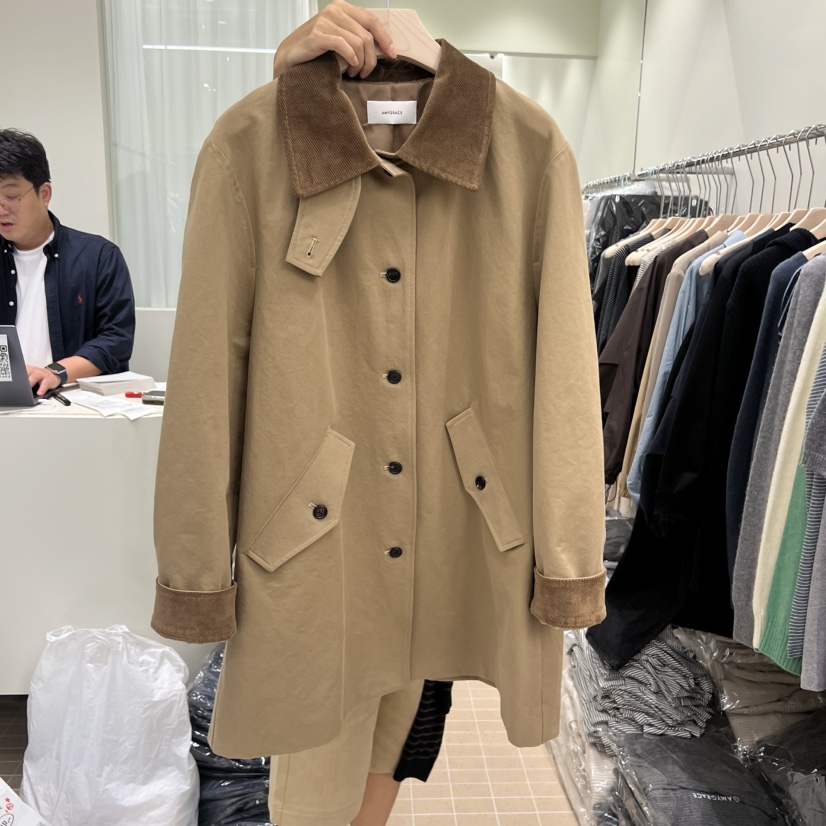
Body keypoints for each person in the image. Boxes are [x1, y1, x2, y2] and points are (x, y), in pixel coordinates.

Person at [271, 5, 450, 826]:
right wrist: (288, 79)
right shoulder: (269, 144)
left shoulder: (492, 156)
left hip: (431, 515)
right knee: (320, 735)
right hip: (322, 522)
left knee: (405, 724)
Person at [0, 129, 135, 397]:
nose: (1, 208)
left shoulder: (98, 256)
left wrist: (55, 372)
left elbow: (116, 341)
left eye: (12, 196)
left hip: (73, 403)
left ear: (44, 194)